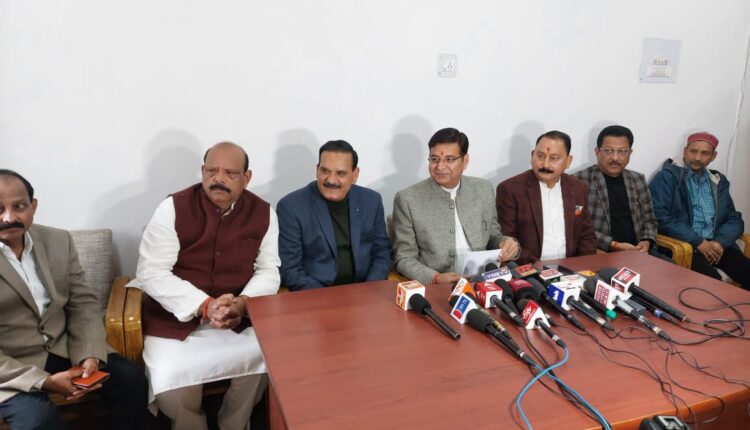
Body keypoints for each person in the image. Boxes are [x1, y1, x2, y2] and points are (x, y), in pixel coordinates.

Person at [135, 142, 280, 429]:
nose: (219, 179)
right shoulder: (172, 208)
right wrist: (204, 305)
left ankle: (234, 424)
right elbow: (151, 271)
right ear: (202, 171)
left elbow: (269, 269)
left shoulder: (264, 212)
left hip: (236, 318)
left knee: (264, 360)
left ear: (246, 177)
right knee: (171, 379)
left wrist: (243, 303)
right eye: (212, 171)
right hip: (175, 319)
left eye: (230, 173)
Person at [0, 169, 146, 430]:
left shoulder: (58, 240)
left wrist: (90, 354)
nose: (9, 218)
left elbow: (83, 303)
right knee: (37, 420)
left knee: (130, 379)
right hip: (10, 368)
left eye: (19, 206)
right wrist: (43, 381)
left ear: (33, 206)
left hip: (64, 347)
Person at [392, 127, 519, 286]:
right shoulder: (408, 199)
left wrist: (506, 243)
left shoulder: (483, 189)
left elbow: (492, 235)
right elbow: (403, 258)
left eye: (449, 159)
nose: (440, 166)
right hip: (438, 287)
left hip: (484, 282)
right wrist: (435, 278)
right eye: (434, 159)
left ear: (465, 161)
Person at [277, 140, 390, 291]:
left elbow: (382, 252)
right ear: (317, 170)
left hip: (365, 291)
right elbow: (290, 270)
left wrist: (369, 290)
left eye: (341, 173)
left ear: (355, 174)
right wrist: (328, 298)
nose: (331, 180)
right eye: (325, 171)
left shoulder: (372, 201)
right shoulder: (291, 207)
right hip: (315, 295)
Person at [650, 132, 749, 288]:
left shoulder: (718, 181)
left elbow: (734, 219)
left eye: (705, 153)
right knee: (713, 285)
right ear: (685, 151)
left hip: (715, 244)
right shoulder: (667, 177)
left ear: (713, 156)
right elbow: (659, 216)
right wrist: (698, 242)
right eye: (693, 151)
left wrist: (720, 243)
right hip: (685, 245)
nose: (697, 157)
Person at [496, 130, 597, 264]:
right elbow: (508, 240)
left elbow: (587, 235)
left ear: (568, 161)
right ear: (532, 155)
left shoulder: (578, 188)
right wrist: (540, 267)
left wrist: (581, 266)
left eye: (554, 158)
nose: (545, 164)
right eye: (540, 156)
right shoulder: (511, 189)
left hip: (572, 268)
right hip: (530, 268)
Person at [574, 125, 670, 260]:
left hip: (638, 252)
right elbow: (576, 225)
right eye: (608, 151)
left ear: (630, 153)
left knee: (673, 269)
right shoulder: (578, 181)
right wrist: (613, 244)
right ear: (597, 152)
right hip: (601, 252)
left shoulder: (637, 179)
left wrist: (647, 240)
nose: (615, 158)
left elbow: (649, 220)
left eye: (622, 152)